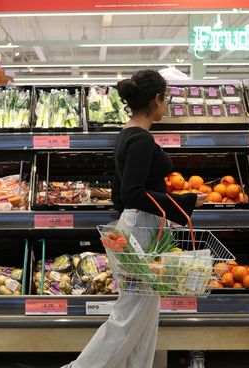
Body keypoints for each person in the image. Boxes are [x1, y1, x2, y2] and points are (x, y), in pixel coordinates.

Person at [63, 70, 207, 368]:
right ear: (156, 99)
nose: (165, 105)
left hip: (137, 225)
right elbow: (132, 193)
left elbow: (120, 193)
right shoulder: (141, 139)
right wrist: (186, 201)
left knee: (145, 315)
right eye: (165, 99)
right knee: (130, 313)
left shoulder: (127, 133)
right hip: (142, 228)